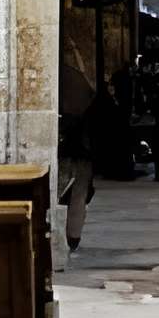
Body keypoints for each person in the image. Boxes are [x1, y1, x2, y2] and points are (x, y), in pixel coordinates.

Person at [57, 51, 98, 250]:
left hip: (70, 142)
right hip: (80, 144)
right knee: (78, 192)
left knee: (62, 190)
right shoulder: (77, 76)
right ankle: (73, 237)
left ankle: (65, 236)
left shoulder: (62, 76)